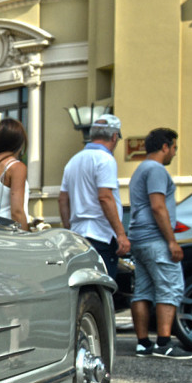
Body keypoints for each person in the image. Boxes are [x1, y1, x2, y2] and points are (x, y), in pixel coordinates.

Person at [127, 128, 192, 360]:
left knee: (143, 291)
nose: (174, 153)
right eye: (174, 148)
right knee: (169, 287)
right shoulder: (156, 170)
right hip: (155, 238)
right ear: (165, 146)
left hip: (139, 238)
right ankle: (164, 344)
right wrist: (172, 241)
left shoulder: (140, 169)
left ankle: (143, 344)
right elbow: (158, 206)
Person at [59, 114, 129, 277]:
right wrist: (120, 234)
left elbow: (63, 199)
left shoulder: (73, 160)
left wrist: (69, 228)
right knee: (103, 283)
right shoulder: (105, 159)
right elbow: (105, 197)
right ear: (114, 136)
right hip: (101, 234)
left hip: (79, 234)